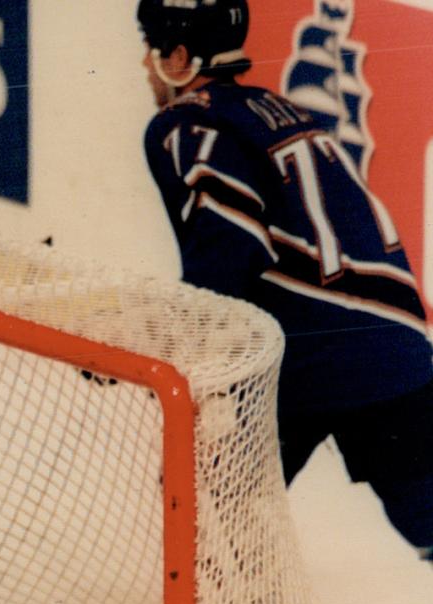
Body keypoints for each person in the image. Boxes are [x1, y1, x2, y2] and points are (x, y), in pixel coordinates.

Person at [137, 0, 433, 567]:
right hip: (396, 348)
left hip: (302, 358)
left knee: (206, 506)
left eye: (151, 49)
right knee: (426, 514)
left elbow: (231, 248)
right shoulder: (289, 112)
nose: (144, 65)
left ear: (179, 56)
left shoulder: (186, 122)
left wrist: (173, 343)